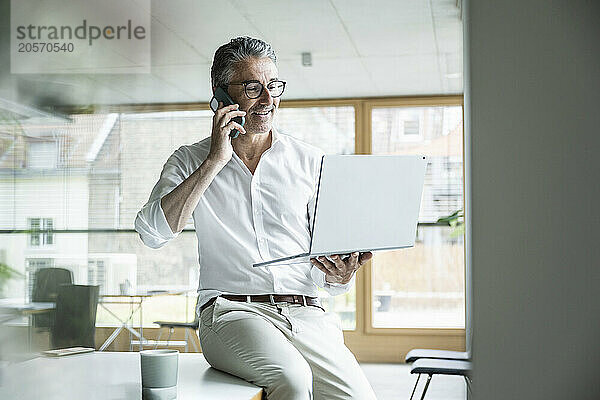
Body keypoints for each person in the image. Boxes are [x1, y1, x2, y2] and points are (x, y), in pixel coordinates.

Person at [135, 36, 377, 400]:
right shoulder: (190, 159)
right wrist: (215, 161)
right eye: (253, 88)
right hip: (232, 312)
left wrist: (340, 275)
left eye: (274, 86)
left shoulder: (310, 161)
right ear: (221, 97)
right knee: (292, 381)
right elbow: (152, 233)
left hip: (306, 314)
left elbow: (326, 267)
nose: (268, 100)